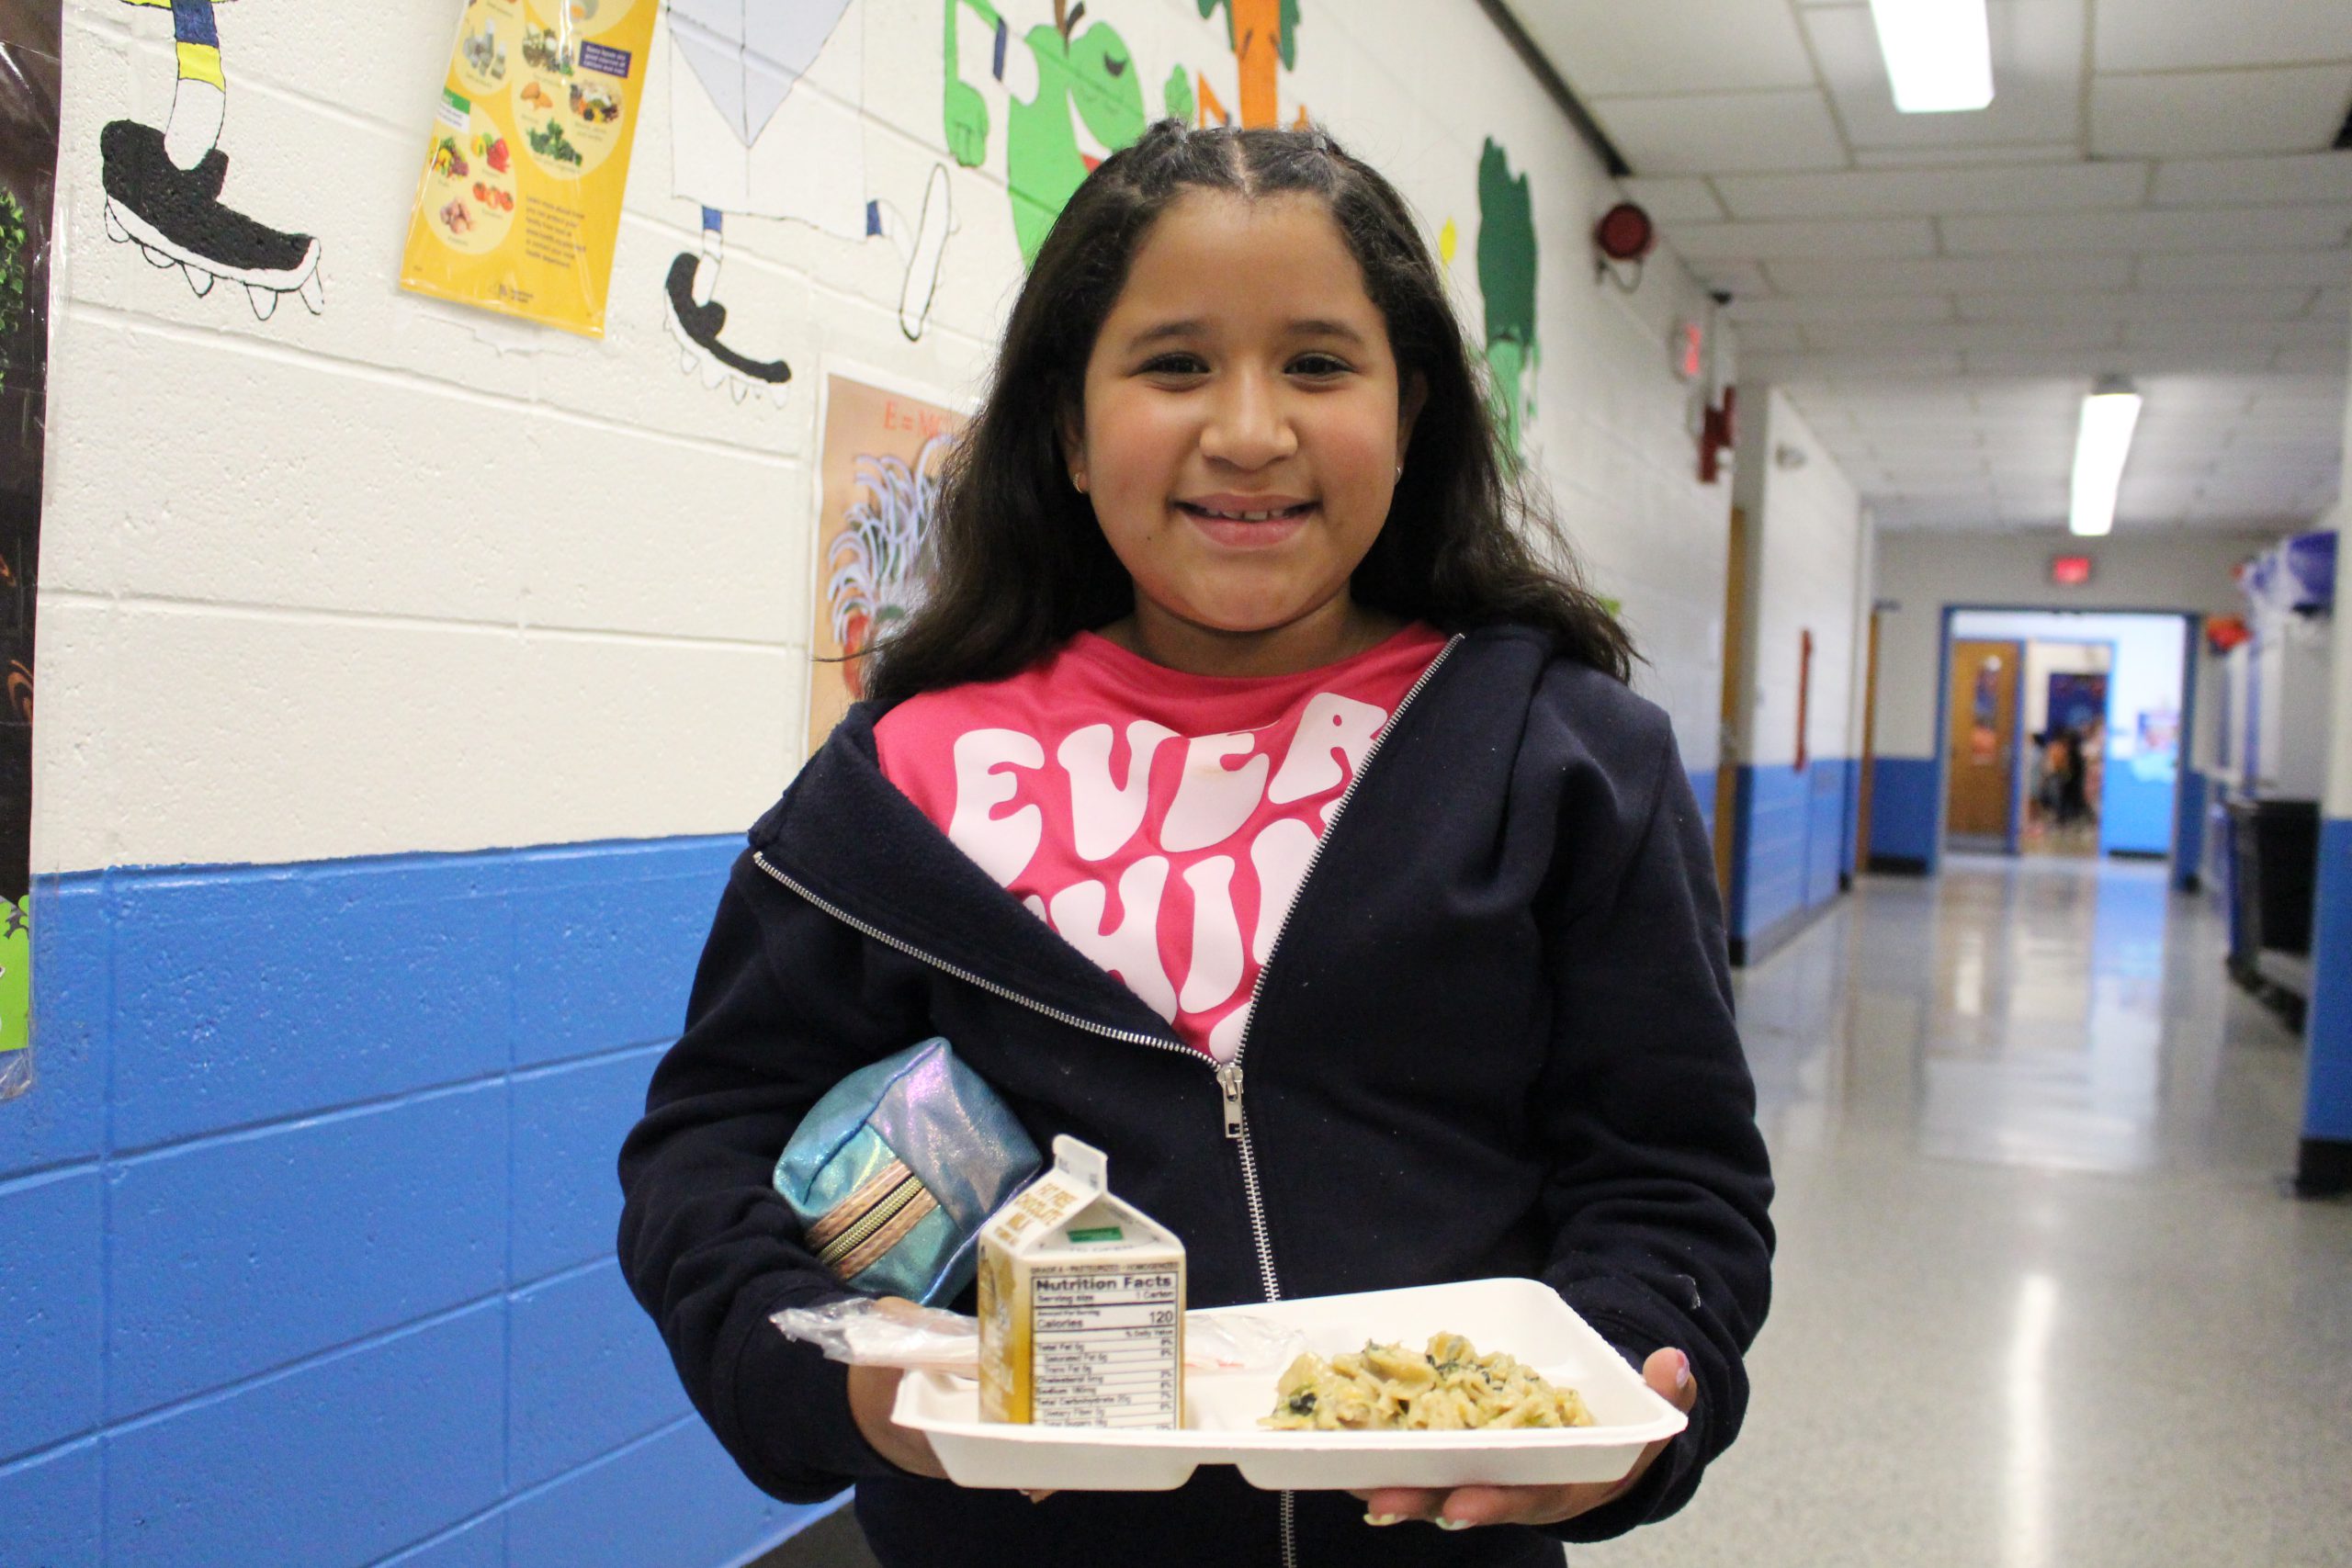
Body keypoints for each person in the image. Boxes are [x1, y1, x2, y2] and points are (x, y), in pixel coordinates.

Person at [617, 121, 1773, 1568]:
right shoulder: (906, 783)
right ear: (1068, 426)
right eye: (1174, 365)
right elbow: (705, 1152)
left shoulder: (1569, 763)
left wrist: (1630, 1377)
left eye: (1318, 363)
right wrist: (836, 1382)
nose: (1247, 429)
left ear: (1409, 414)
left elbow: (1673, 1181)